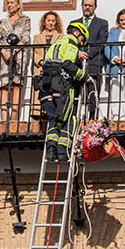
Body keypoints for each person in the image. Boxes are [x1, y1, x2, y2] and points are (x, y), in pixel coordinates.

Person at [38, 22, 89, 163]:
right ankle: (62, 152)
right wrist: (84, 76)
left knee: (53, 119)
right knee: (68, 117)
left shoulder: (56, 43)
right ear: (77, 33)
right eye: (82, 40)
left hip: (45, 86)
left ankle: (50, 151)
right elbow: (67, 64)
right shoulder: (71, 44)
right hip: (60, 85)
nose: (81, 43)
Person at [72, 0, 108, 119]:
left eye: (90, 5)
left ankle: (93, 121)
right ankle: (74, 119)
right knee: (75, 93)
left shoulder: (102, 23)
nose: (87, 8)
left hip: (93, 63)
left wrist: (87, 55)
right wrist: (77, 54)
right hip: (76, 63)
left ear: (95, 7)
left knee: (93, 93)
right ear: (82, 6)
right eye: (85, 5)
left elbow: (101, 42)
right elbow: (70, 42)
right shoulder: (74, 23)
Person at [0, 0, 31, 122]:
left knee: (17, 85)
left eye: (12, 2)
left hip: (20, 56)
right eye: (8, 3)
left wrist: (14, 51)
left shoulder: (25, 19)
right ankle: (4, 119)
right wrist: (5, 53)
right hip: (4, 57)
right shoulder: (3, 21)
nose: (10, 5)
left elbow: (26, 37)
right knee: (4, 85)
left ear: (18, 4)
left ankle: (13, 119)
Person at [104, 9, 125, 121]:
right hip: (115, 66)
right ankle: (115, 115)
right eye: (121, 20)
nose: (123, 22)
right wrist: (115, 58)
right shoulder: (113, 31)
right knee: (115, 89)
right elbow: (107, 47)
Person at [31, 11, 64, 119]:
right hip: (39, 67)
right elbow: (32, 51)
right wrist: (40, 61)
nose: (50, 23)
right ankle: (37, 113)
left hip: (54, 68)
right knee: (38, 91)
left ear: (56, 23)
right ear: (44, 22)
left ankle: (52, 113)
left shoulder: (61, 37)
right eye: (48, 20)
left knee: (52, 90)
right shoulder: (37, 37)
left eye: (53, 21)